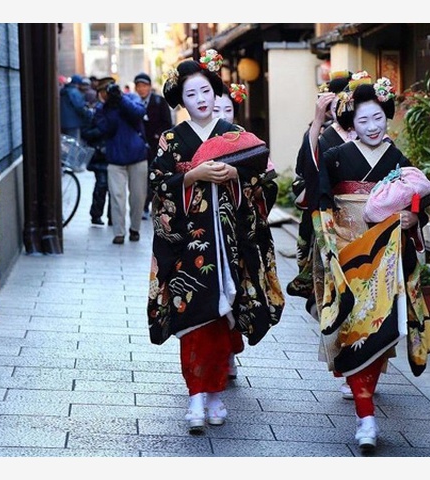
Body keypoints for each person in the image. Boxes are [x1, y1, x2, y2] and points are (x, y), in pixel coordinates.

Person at [147, 51, 284, 434]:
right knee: (192, 317)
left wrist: (235, 175)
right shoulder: (171, 139)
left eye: (206, 90)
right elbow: (158, 186)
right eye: (191, 94)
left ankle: (215, 394)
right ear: (181, 101)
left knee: (225, 315)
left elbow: (260, 182)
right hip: (189, 247)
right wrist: (192, 177)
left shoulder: (233, 136)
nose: (201, 99)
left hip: (229, 243)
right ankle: (195, 397)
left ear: (216, 91)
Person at [315, 72, 430, 452]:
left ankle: (366, 403)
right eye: (362, 120)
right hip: (349, 258)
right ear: (351, 122)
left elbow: (422, 204)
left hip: (387, 264)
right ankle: (366, 418)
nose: (371, 126)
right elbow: (320, 203)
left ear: (387, 116)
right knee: (354, 334)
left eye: (378, 118)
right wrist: (329, 245)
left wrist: (414, 218)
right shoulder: (335, 158)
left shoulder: (398, 159)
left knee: (380, 335)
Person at [286, 71, 355, 399]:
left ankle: (363, 367)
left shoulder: (371, 137)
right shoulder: (321, 137)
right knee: (337, 297)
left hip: (365, 228)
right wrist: (315, 126)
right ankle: (347, 366)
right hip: (328, 228)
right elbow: (303, 179)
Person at [212, 81, 249, 379]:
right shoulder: (194, 141)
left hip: (237, 229)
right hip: (204, 232)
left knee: (234, 289)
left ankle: (229, 352)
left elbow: (267, 179)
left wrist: (244, 176)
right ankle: (218, 354)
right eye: (216, 109)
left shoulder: (246, 141)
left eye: (228, 109)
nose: (223, 115)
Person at [93, 81, 148, 244]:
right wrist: (111, 107)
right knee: (117, 197)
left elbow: (139, 113)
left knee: (138, 196)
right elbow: (106, 129)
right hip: (115, 158)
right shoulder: (101, 109)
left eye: (108, 91)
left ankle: (135, 229)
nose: (105, 95)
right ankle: (119, 232)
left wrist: (121, 99)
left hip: (137, 156)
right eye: (102, 92)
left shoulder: (131, 98)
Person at [133, 72, 174, 220]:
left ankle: (155, 205)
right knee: (141, 178)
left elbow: (167, 122)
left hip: (156, 146)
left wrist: (159, 136)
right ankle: (143, 206)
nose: (142, 89)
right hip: (139, 147)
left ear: (149, 87)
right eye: (139, 86)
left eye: (144, 86)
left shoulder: (158, 101)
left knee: (156, 175)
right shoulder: (133, 103)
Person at [81, 77, 114, 227]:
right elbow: (85, 133)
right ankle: (96, 215)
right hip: (99, 154)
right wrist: (100, 130)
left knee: (114, 187)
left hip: (114, 154)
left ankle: (113, 217)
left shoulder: (115, 109)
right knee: (101, 184)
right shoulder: (92, 110)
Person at [59, 74, 91, 142]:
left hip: (63, 122)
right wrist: (88, 115)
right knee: (74, 144)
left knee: (66, 144)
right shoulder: (74, 92)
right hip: (73, 123)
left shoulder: (64, 90)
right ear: (78, 83)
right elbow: (79, 107)